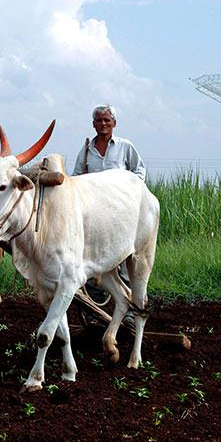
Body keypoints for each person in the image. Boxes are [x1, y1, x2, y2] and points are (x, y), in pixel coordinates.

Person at [72, 104, 146, 310]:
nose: (103, 124)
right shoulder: (87, 150)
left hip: (119, 216)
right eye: (99, 120)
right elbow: (77, 177)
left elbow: (139, 172)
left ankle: (130, 312)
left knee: (122, 262)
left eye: (107, 120)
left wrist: (131, 195)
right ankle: (96, 311)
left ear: (114, 124)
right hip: (93, 216)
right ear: (93, 124)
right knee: (91, 263)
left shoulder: (125, 146)